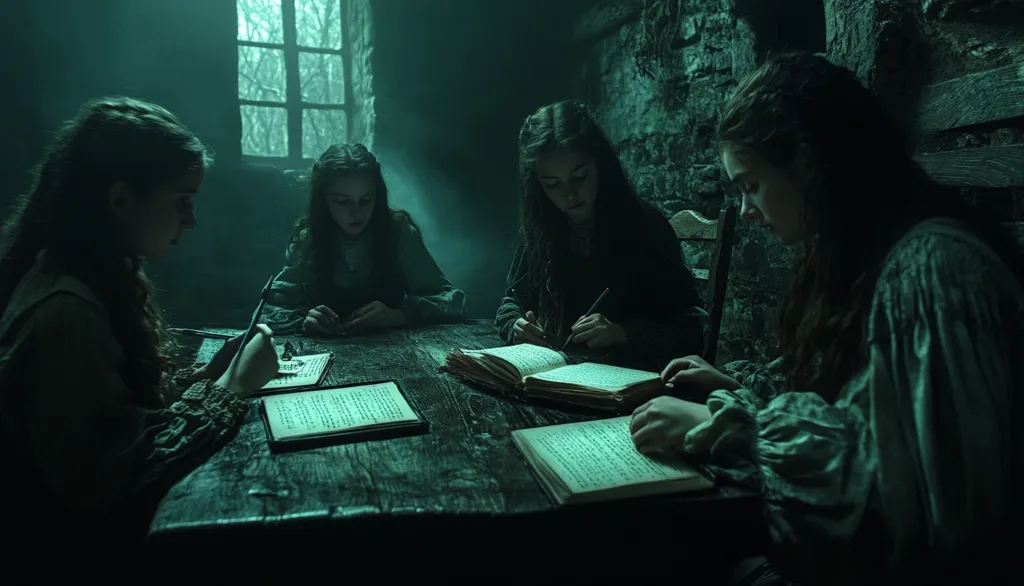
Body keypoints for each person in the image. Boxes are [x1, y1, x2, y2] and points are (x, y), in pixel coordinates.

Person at [628, 52, 1022, 585]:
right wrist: (741, 393)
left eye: (750, 185)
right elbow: (845, 398)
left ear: (809, 161)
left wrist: (729, 430)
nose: (746, 211)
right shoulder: (853, 256)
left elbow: (932, 498)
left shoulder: (932, 273)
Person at [0, 97, 280, 544]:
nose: (191, 220)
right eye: (181, 201)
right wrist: (233, 387)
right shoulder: (64, 314)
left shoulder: (100, 269)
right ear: (121, 200)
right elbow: (111, 481)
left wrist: (209, 375)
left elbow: (123, 412)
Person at [495, 99, 707, 372]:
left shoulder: (644, 227)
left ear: (600, 166)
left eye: (579, 176)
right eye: (553, 184)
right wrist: (516, 324)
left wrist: (622, 332)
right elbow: (512, 300)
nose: (569, 194)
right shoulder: (541, 230)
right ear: (539, 186)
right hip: (558, 378)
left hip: (631, 382)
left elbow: (690, 327)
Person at [264, 143, 467, 336]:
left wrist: (401, 314)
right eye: (342, 202)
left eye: (366, 200)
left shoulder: (399, 234)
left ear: (377, 196)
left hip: (397, 353)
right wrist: (304, 320)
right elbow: (268, 310)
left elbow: (454, 302)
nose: (356, 212)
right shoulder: (308, 241)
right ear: (323, 199)